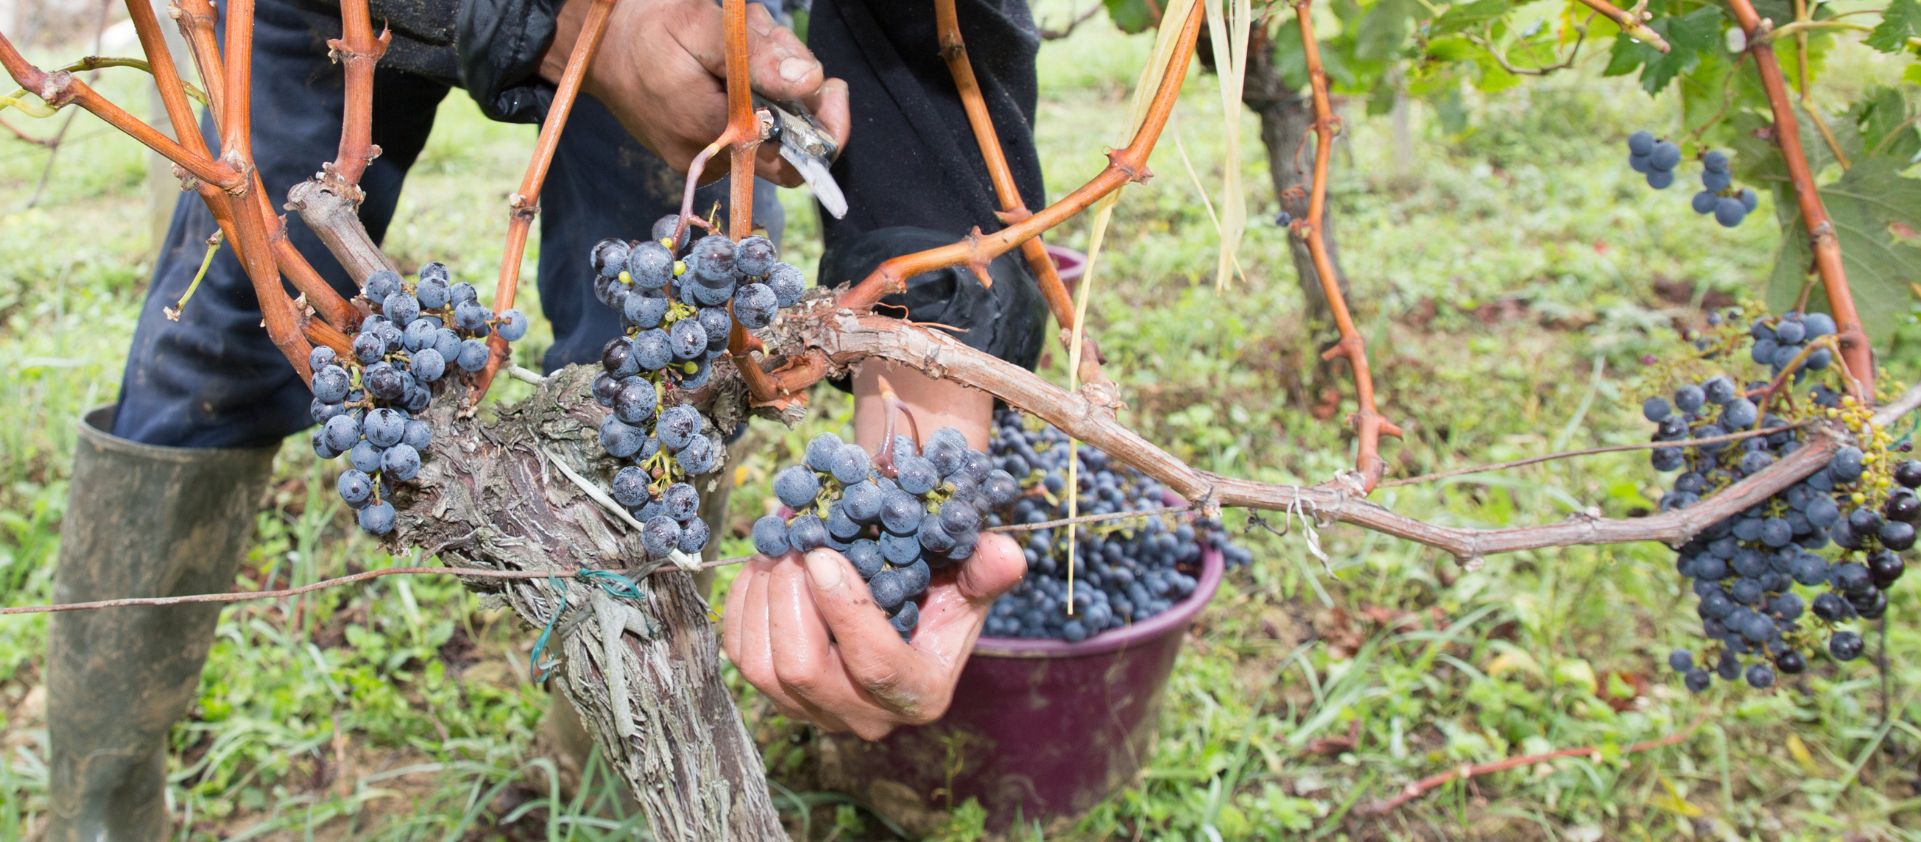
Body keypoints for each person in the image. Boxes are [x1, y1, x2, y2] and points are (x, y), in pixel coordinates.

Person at [46, 0, 1049, 837]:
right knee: (223, 336)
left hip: (686, 24)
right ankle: (103, 805)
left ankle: (604, 761)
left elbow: (936, 28)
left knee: (669, 354)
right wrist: (567, 20)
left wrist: (929, 365)